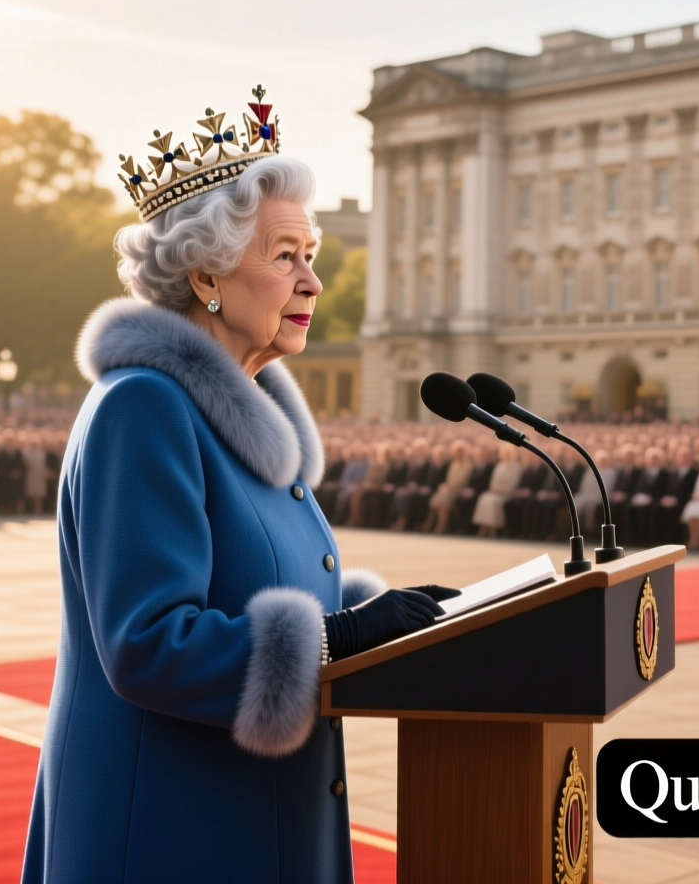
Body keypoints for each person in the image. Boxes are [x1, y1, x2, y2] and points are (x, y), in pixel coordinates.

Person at [24, 114, 454, 882]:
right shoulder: (145, 408)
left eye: (310, 256)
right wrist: (341, 636)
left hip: (252, 817)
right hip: (172, 828)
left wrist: (382, 631)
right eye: (285, 256)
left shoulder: (239, 415)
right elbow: (148, 642)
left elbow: (276, 592)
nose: (313, 282)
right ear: (205, 276)